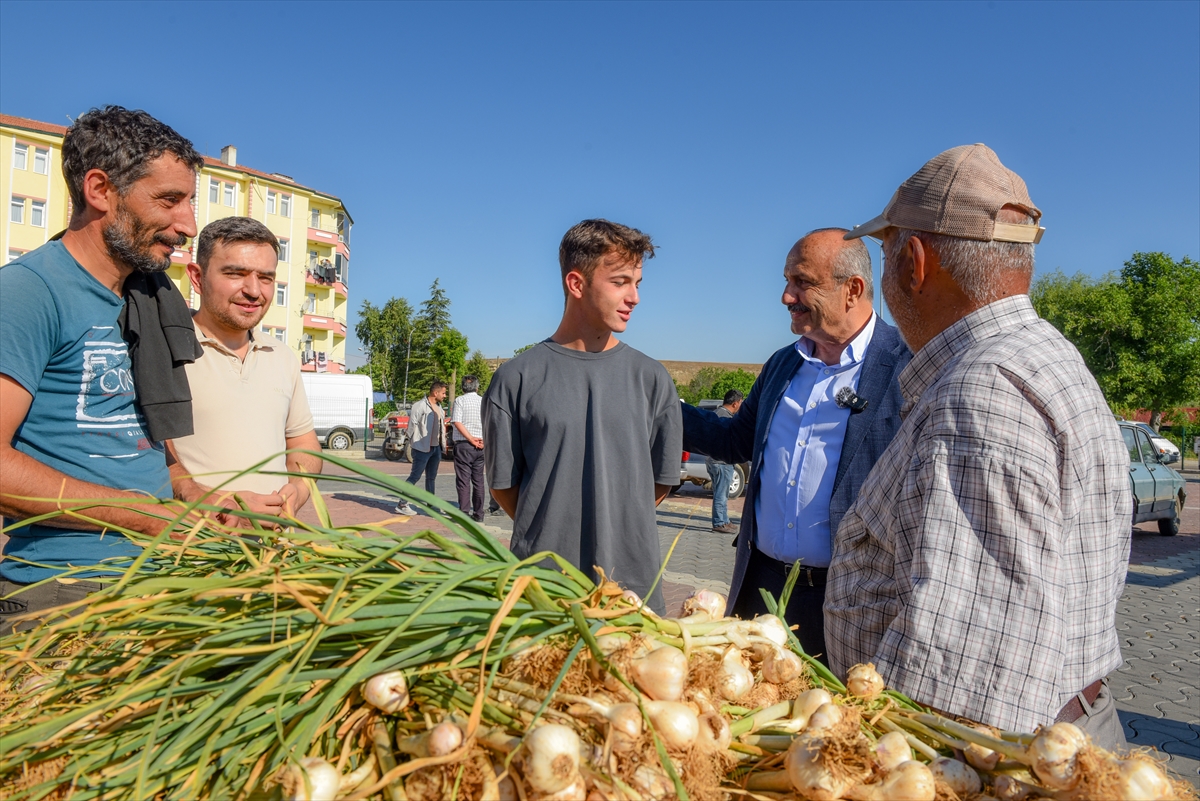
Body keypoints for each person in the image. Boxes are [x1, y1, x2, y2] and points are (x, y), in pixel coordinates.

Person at [830, 144, 1131, 747]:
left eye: (887, 253)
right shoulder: (1042, 356)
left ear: (912, 262)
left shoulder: (981, 394)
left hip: (1002, 757)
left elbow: (967, 683)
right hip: (1063, 727)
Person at [0, 106, 204, 634]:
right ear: (100, 189)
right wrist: (142, 515)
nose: (188, 225)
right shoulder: (27, 291)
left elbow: (150, 454)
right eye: (169, 200)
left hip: (157, 581)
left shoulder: (148, 299)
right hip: (62, 592)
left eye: (190, 202)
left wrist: (203, 498)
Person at [682, 229, 910, 660]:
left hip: (849, 604)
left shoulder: (906, 366)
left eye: (802, 282)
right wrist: (659, 404)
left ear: (852, 290)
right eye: (787, 282)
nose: (787, 296)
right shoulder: (783, 364)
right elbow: (734, 441)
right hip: (761, 592)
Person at [483, 219, 682, 613]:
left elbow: (658, 484)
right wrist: (554, 524)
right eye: (621, 281)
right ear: (576, 284)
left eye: (638, 283)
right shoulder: (515, 379)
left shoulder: (652, 379)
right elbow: (504, 489)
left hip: (632, 593)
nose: (635, 297)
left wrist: (615, 517)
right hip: (544, 592)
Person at [167, 217, 323, 518]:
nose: (254, 290)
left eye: (265, 278)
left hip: (274, 556)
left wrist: (300, 489)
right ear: (197, 278)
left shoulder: (282, 357)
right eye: (236, 274)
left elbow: (304, 442)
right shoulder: (163, 351)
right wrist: (209, 503)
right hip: (194, 554)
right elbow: (152, 455)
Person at [396, 381, 448, 515]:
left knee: (431, 477)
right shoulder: (419, 406)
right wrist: (407, 442)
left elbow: (441, 428)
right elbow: (412, 425)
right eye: (443, 393)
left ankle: (430, 504)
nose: (445, 395)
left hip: (435, 449)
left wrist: (443, 445)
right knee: (415, 476)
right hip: (421, 448)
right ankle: (402, 504)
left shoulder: (440, 408)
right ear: (435, 393)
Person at [450, 375, 487, 521]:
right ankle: (479, 513)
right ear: (477, 387)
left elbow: (457, 422)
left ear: (462, 387)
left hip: (464, 444)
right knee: (478, 480)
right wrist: (483, 440)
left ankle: (464, 512)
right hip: (481, 444)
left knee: (463, 480)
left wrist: (470, 438)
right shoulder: (483, 401)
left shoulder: (460, 400)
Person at [706, 390, 743, 534]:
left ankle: (724, 520)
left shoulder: (715, 414)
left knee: (721, 493)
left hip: (713, 460)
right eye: (740, 403)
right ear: (735, 403)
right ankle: (719, 522)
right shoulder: (726, 418)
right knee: (721, 494)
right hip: (722, 462)